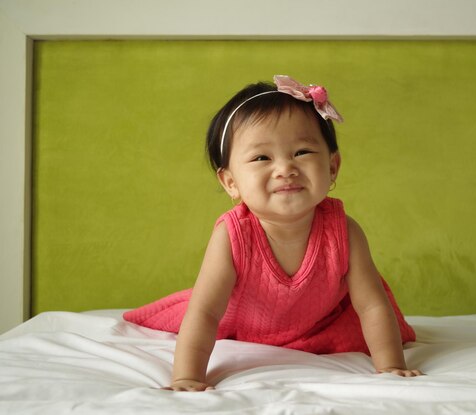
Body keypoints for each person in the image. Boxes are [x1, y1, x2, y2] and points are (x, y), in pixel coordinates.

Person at [124, 75, 422, 391]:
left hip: (318, 322)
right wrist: (187, 377)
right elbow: (206, 312)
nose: (285, 169)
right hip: (242, 322)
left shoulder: (344, 230)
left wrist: (391, 367)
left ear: (332, 167)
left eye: (302, 152)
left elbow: (371, 305)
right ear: (231, 182)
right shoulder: (233, 235)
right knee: (195, 312)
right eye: (262, 158)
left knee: (370, 328)